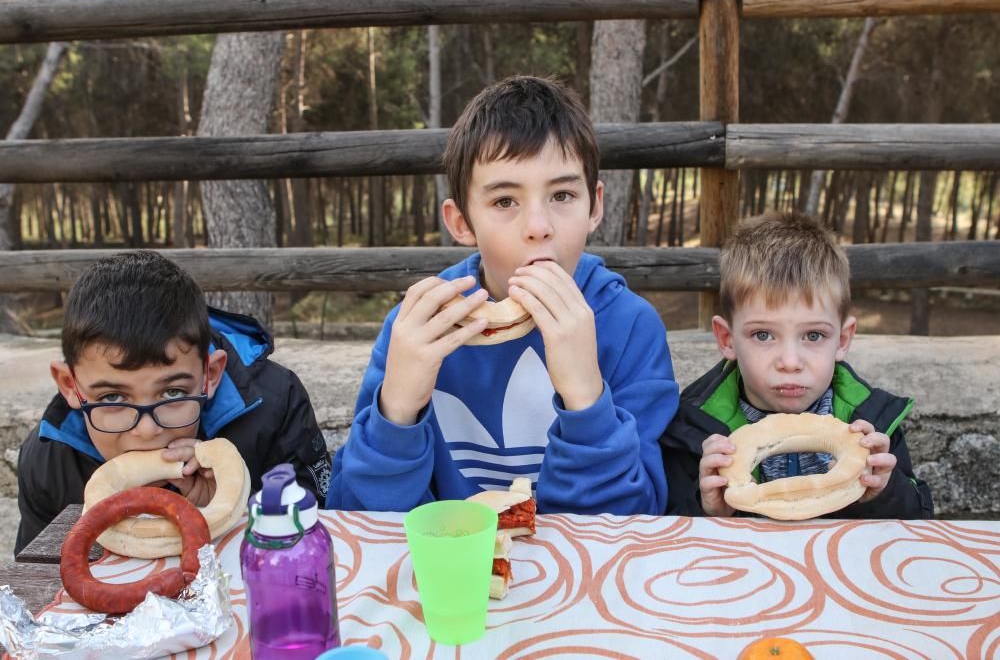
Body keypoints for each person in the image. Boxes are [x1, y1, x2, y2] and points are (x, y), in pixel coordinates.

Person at [326, 75, 679, 515]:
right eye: (504, 202)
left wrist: (586, 397)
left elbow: (634, 521)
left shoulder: (629, 328)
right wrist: (397, 410)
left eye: (563, 195)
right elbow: (356, 515)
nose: (538, 226)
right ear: (461, 223)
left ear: (595, 205)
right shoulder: (417, 329)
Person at [15, 250, 331, 553]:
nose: (147, 430)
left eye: (173, 393)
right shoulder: (49, 459)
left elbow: (320, 531)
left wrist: (228, 510)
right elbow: (41, 572)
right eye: (113, 397)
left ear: (210, 375)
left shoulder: (275, 405)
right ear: (71, 386)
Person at [660, 212, 933, 518]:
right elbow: (667, 527)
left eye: (813, 335)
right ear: (727, 339)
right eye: (763, 335)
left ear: (842, 340)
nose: (790, 362)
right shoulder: (695, 429)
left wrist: (883, 492)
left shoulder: (871, 422)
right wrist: (706, 507)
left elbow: (919, 520)